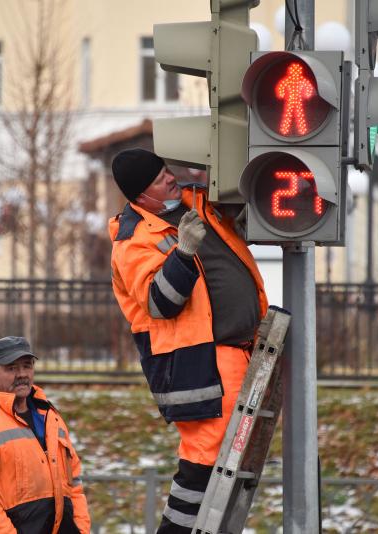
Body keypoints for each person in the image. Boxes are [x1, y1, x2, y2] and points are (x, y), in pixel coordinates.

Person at [108, 148, 267, 532]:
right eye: (158, 178)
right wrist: (184, 252)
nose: (168, 177)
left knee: (229, 457)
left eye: (165, 170)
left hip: (236, 352)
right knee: (203, 462)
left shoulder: (195, 199)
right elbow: (159, 303)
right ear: (140, 196)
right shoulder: (132, 242)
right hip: (199, 365)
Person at [0, 336, 90, 534]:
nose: (22, 374)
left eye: (27, 366)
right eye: (11, 368)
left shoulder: (49, 415)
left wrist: (80, 530)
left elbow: (74, 482)